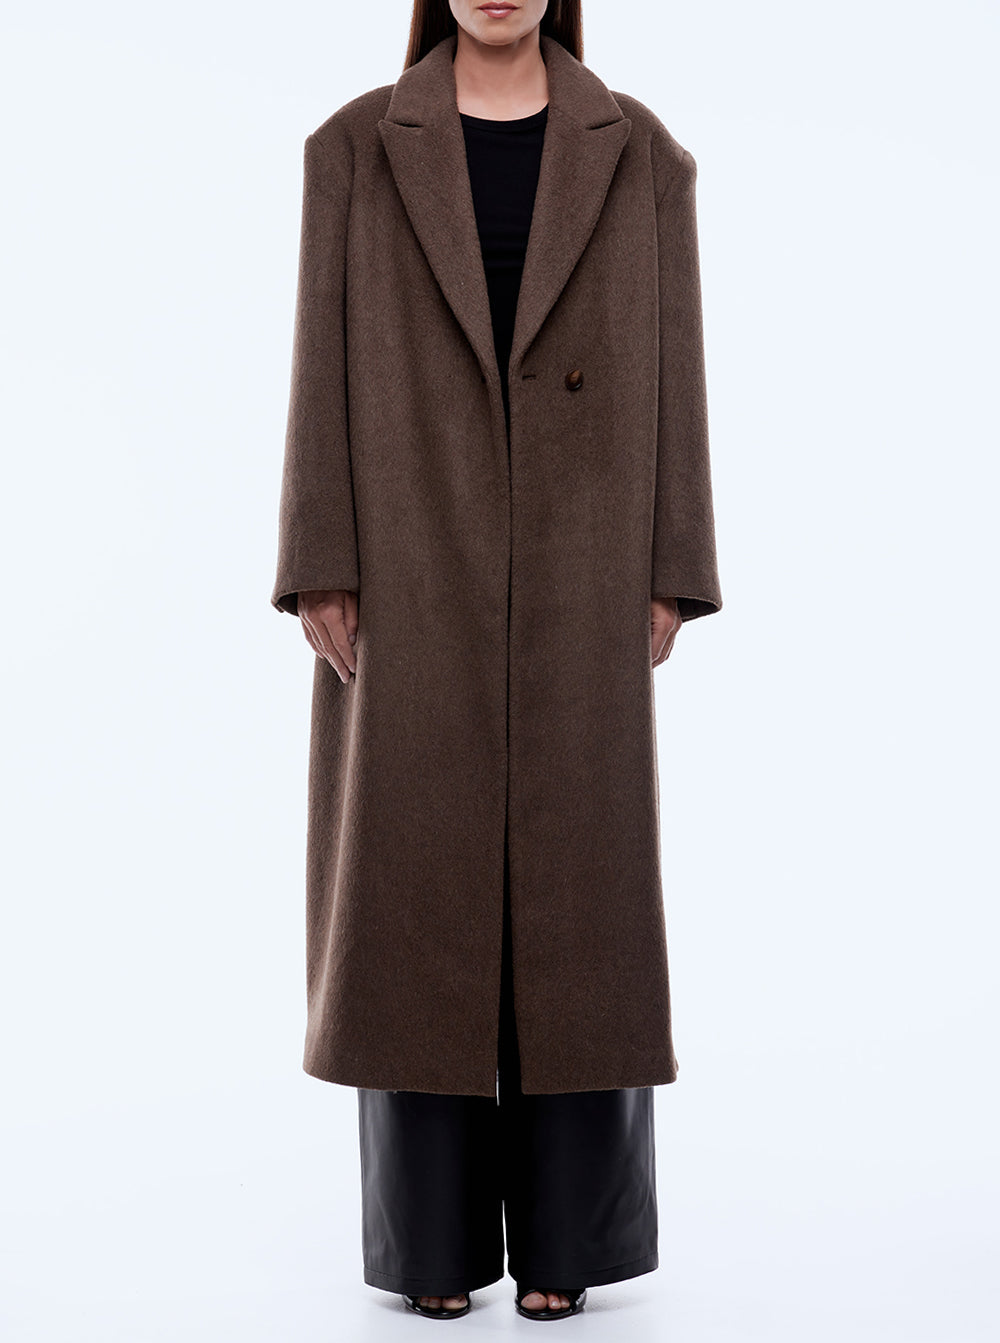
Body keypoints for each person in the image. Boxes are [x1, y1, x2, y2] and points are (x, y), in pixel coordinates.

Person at [270, 0, 722, 1322]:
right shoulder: (355, 146)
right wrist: (319, 558)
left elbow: (680, 364)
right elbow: (317, 364)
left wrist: (674, 564)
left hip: (591, 550)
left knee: (582, 892)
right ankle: (431, 1250)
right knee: (415, 884)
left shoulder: (642, 152)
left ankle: (569, 1248)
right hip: (407, 547)